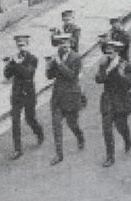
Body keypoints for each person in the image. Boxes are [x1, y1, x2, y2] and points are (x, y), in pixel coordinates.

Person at [44, 33, 85, 165]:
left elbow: (72, 76)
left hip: (71, 96)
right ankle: (59, 154)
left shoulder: (76, 57)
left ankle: (79, 136)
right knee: (56, 126)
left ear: (71, 43)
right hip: (57, 97)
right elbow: (50, 77)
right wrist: (48, 66)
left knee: (72, 124)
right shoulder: (57, 56)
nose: (64, 45)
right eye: (61, 42)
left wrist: (59, 63)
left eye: (66, 42)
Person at [3, 34, 44, 160]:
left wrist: (16, 64)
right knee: (15, 121)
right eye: (19, 45)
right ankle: (17, 149)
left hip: (28, 93)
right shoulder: (14, 59)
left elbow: (27, 74)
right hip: (16, 94)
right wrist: (9, 65)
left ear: (27, 45)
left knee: (29, 118)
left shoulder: (33, 59)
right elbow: (7, 75)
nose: (21, 48)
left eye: (23, 45)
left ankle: (39, 133)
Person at [96, 38, 131, 166]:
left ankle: (127, 139)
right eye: (107, 52)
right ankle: (110, 157)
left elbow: (129, 84)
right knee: (106, 129)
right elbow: (98, 80)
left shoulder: (124, 64)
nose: (109, 55)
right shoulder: (103, 63)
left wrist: (120, 74)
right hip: (107, 99)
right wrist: (104, 70)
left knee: (121, 126)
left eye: (111, 52)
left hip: (121, 100)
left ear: (117, 52)